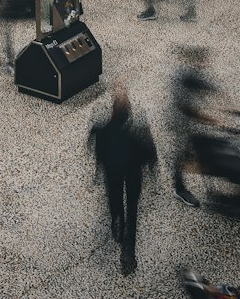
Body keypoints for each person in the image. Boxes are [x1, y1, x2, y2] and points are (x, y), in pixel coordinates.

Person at [88, 82, 158, 275]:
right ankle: (128, 253)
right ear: (129, 111)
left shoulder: (103, 128)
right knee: (132, 208)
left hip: (113, 171)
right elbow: (149, 151)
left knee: (115, 198)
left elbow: (98, 151)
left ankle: (116, 221)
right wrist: (153, 169)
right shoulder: (137, 127)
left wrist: (98, 170)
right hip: (133, 172)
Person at [169, 47, 217, 208]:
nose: (204, 65)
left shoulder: (192, 73)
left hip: (192, 125)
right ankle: (179, 188)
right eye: (201, 62)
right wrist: (207, 118)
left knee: (196, 153)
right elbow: (184, 107)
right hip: (182, 125)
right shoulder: (181, 77)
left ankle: (210, 190)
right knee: (184, 155)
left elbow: (206, 85)